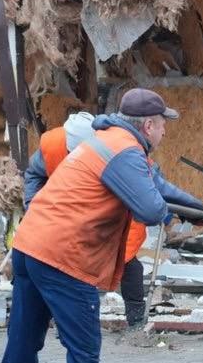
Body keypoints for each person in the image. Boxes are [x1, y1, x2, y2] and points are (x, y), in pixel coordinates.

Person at [0, 88, 203, 363]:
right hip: (64, 255)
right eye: (163, 127)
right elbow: (149, 205)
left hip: (30, 246)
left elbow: (157, 186)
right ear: (150, 125)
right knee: (84, 347)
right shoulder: (126, 152)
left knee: (25, 337)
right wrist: (172, 214)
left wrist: (196, 207)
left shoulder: (106, 141)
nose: (165, 134)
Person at [22, 111, 151, 329]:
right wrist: (32, 206)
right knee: (59, 265)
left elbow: (148, 186)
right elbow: (34, 175)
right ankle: (62, 319)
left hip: (109, 214)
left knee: (129, 261)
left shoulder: (118, 149)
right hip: (62, 215)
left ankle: (136, 321)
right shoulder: (53, 145)